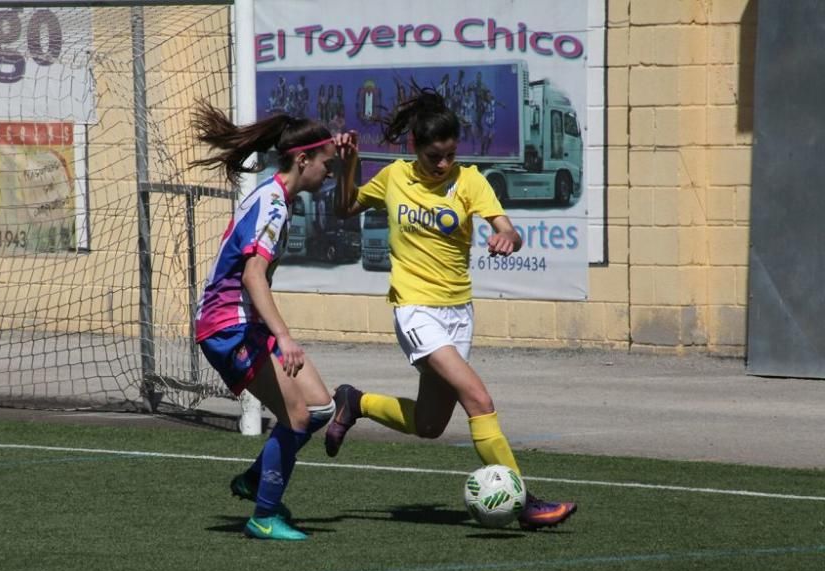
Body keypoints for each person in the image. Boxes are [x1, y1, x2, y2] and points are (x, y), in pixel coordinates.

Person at [329, 88, 577, 530]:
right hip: (415, 310)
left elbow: (507, 229)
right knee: (478, 399)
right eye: (433, 156)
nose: (442, 164)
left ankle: (356, 401)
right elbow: (345, 207)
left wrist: (508, 238)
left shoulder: (470, 181)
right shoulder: (393, 177)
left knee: (429, 425)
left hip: (457, 313)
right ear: (414, 148)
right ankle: (525, 502)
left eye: (448, 154)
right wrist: (347, 167)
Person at [191, 101, 338, 540]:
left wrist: (346, 155)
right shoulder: (273, 204)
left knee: (320, 408)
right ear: (302, 159)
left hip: (246, 323)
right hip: (227, 326)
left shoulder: (278, 196)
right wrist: (285, 338)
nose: (329, 172)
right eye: (326, 164)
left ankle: (257, 479)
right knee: (295, 415)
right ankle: (264, 515)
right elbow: (253, 275)